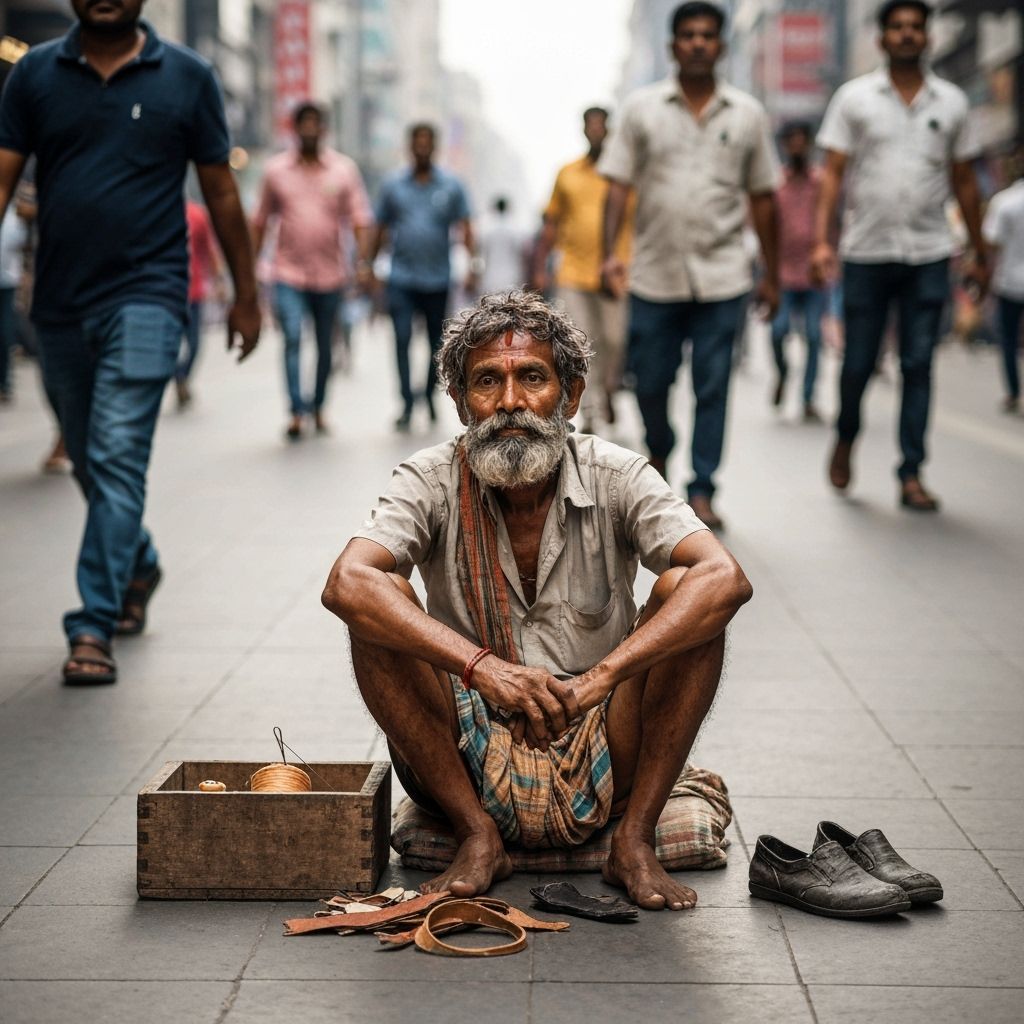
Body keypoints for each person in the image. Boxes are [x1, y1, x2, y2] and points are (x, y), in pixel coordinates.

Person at [322, 290, 752, 910]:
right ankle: (477, 834)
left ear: (571, 396)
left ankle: (633, 840)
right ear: (460, 403)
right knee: (376, 598)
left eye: (533, 378)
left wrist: (597, 680)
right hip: (467, 748)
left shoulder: (616, 473)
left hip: (603, 736)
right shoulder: (430, 477)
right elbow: (346, 583)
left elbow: (725, 577)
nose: (510, 403)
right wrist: (484, 671)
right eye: (486, 383)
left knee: (691, 590)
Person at [0, 0, 261, 685]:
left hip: (149, 294)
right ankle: (138, 562)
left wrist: (247, 293)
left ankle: (92, 624)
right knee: (88, 456)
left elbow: (222, 192)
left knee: (116, 457)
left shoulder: (189, 75)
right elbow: (2, 175)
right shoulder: (32, 74)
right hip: (57, 303)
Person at [599, 2, 780, 531]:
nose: (698, 43)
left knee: (714, 384)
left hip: (724, 276)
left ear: (721, 46)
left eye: (707, 36)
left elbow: (764, 197)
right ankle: (661, 447)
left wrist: (772, 273)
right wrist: (613, 253)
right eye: (688, 35)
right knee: (650, 381)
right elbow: (617, 186)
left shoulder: (747, 114)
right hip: (654, 275)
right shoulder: (641, 110)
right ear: (672, 45)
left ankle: (701, 487)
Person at [812, 0, 988, 511]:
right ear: (883, 38)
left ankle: (911, 472)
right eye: (898, 27)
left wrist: (978, 250)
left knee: (918, 362)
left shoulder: (951, 102)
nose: (908, 34)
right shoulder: (855, 98)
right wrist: (824, 241)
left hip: (930, 252)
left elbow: (964, 182)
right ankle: (846, 437)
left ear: (927, 37)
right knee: (859, 362)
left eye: (916, 27)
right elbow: (833, 176)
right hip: (867, 251)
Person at [252, 101, 373, 439]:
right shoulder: (275, 170)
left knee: (324, 344)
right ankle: (295, 409)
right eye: (302, 123)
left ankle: (318, 406)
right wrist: (249, 264)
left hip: (331, 274)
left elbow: (361, 219)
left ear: (323, 129)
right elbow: (260, 220)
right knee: (291, 336)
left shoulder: (343, 170)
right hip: (287, 272)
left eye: (314, 123)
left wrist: (362, 263)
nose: (309, 129)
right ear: (294, 128)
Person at [532, 106, 634, 435]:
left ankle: (607, 390)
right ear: (583, 131)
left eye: (602, 126)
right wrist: (540, 268)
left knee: (615, 340)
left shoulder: (625, 178)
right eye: (591, 126)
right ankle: (590, 412)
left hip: (615, 275)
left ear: (610, 130)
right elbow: (551, 222)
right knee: (582, 341)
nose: (596, 132)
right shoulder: (567, 173)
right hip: (573, 273)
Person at [368, 123, 477, 432]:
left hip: (437, 279)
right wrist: (368, 265)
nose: (422, 148)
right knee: (401, 339)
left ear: (435, 147)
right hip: (401, 277)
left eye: (428, 142)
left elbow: (466, 226)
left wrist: (472, 264)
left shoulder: (451, 186)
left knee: (435, 343)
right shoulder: (393, 186)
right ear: (409, 146)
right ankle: (405, 401)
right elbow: (380, 227)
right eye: (417, 142)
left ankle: (428, 395)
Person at [770, 122, 826, 421]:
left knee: (815, 336)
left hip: (815, 274)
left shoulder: (821, 182)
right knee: (778, 332)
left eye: (801, 141)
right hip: (782, 274)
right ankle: (782, 372)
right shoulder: (776, 184)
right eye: (791, 142)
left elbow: (832, 221)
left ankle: (807, 397)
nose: (796, 147)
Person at [982, 151, 1024, 414]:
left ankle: (1013, 392)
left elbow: (991, 242)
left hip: (1010, 281)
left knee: (1008, 339)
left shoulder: (1005, 202)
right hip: (1008, 281)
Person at [172, 197, 221, 409]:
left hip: (194, 292)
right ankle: (177, 377)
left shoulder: (197, 215)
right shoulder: (157, 211)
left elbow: (209, 251)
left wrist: (219, 281)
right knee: (168, 344)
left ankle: (182, 377)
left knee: (195, 343)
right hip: (167, 294)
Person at [0, 201, 28, 401]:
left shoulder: (12, 213)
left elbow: (19, 241)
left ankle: (4, 382)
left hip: (7, 280)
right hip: (8, 277)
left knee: (4, 330)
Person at [478, 197, 527, 295]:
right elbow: (521, 253)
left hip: (491, 277)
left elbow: (483, 253)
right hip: (511, 276)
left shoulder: (487, 229)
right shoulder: (515, 229)